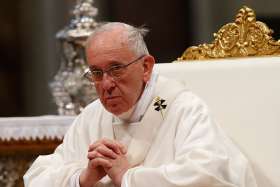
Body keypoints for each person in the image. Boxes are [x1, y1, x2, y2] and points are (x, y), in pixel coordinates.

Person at [24, 22, 257, 187]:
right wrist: (82, 178)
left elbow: (210, 174)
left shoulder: (180, 108)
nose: (106, 84)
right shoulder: (93, 117)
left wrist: (129, 177)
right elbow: (37, 177)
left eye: (116, 69)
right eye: (96, 72)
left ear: (145, 67)